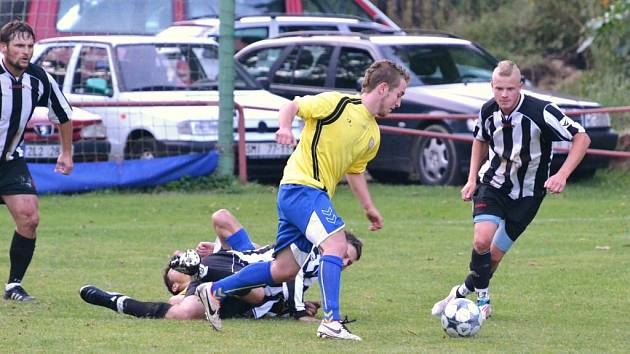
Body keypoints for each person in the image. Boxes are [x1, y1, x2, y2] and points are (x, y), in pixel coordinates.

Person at [196, 60, 409, 341]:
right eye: (399, 94)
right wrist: (285, 128)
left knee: (283, 270)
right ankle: (332, 321)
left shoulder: (372, 134)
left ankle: (213, 291)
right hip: (302, 188)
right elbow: (292, 106)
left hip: (304, 195)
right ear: (383, 88)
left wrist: (369, 207)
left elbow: (355, 172)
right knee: (336, 244)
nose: (399, 102)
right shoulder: (337, 103)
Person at [431, 60, 591, 319]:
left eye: (510, 89)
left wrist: (562, 175)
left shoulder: (542, 111)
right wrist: (472, 179)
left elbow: (581, 137)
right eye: (498, 88)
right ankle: (483, 302)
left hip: (529, 194)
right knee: (482, 239)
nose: (504, 95)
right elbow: (480, 141)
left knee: (493, 257)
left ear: (521, 86)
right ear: (492, 87)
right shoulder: (487, 111)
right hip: (493, 184)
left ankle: (459, 293)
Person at [79, 209, 362, 323]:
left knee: (184, 313)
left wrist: (291, 307)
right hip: (243, 266)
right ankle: (203, 271)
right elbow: (292, 279)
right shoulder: (316, 251)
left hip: (238, 272)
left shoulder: (320, 266)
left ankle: (116, 301)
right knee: (255, 290)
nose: (344, 262)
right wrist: (298, 311)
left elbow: (291, 284)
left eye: (348, 261)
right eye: (346, 254)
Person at [1, 20, 73, 301]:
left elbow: (63, 114)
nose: (26, 51)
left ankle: (13, 286)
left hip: (9, 160)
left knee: (29, 218)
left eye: (30, 46)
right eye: (19, 45)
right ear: (3, 47)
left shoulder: (39, 78)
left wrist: (66, 152)